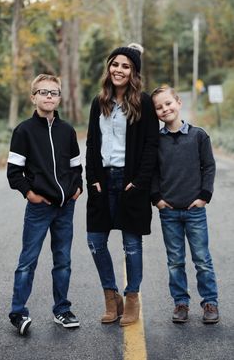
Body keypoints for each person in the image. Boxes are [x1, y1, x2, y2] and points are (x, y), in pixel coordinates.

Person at [86, 44, 159, 326]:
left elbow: (152, 145)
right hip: (102, 182)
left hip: (130, 182)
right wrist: (91, 178)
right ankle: (110, 297)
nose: (119, 69)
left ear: (133, 73)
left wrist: (138, 182)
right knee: (95, 242)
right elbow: (92, 143)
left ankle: (132, 299)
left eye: (126, 66)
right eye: (115, 64)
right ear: (109, 68)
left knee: (131, 244)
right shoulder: (99, 101)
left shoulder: (143, 102)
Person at [7, 74, 83, 335]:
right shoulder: (24, 131)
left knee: (63, 260)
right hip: (39, 207)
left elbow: (76, 166)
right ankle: (18, 312)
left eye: (54, 92)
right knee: (28, 260)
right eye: (43, 92)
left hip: (65, 207)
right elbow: (14, 173)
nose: (49, 96)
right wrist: (31, 194)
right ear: (33, 97)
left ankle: (62, 310)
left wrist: (78, 188)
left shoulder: (67, 131)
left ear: (60, 97)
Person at [151, 85, 219, 324]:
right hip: (168, 211)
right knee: (175, 260)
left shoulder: (198, 135)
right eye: (159, 107)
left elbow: (208, 167)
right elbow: (152, 172)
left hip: (194, 210)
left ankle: (210, 302)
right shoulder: (156, 141)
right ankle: (181, 303)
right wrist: (157, 199)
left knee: (202, 258)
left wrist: (204, 196)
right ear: (156, 113)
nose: (164, 109)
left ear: (178, 102)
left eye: (168, 103)